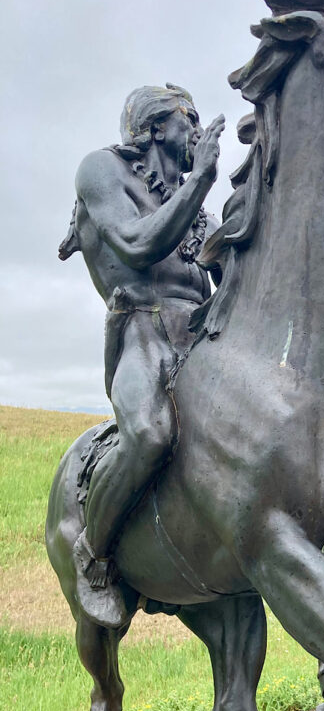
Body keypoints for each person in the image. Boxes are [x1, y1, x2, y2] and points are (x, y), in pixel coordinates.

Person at [59, 84, 225, 627]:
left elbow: (228, 277)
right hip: (142, 329)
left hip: (201, 335)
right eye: (189, 117)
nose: (198, 129)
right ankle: (94, 553)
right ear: (154, 127)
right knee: (150, 432)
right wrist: (201, 180)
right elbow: (134, 244)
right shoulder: (101, 170)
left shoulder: (188, 198)